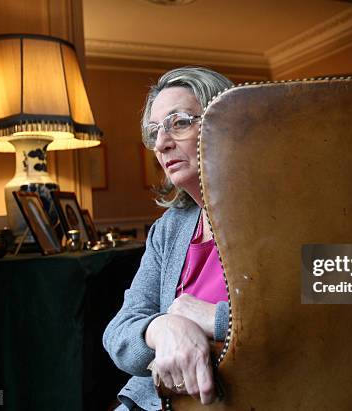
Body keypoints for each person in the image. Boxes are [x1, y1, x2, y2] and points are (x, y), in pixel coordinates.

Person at [103, 67, 234, 411]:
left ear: (225, 125)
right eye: (154, 131)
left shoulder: (285, 213)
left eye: (179, 122)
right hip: (154, 402)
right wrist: (164, 326)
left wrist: (216, 319)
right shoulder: (168, 229)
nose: (161, 143)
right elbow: (118, 334)